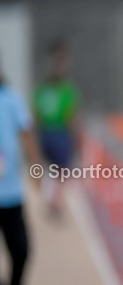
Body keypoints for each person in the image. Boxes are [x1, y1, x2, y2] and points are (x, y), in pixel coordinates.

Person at [0, 57, 43, 285]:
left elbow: (27, 135)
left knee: (22, 250)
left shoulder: (12, 99)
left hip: (11, 192)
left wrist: (36, 169)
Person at [33, 41, 80, 219]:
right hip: (59, 132)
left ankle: (52, 200)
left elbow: (35, 113)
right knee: (61, 170)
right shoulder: (65, 90)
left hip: (46, 131)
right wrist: (75, 136)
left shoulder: (42, 90)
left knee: (50, 168)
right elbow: (70, 115)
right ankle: (55, 201)